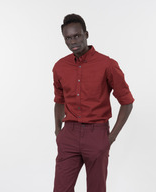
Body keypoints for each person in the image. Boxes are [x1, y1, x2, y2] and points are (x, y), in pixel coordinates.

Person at [52, 13, 134, 192]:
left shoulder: (107, 64)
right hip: (69, 135)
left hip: (97, 134)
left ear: (86, 34)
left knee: (96, 189)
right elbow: (59, 100)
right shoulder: (59, 67)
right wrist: (59, 131)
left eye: (77, 36)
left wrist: (111, 137)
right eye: (68, 38)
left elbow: (127, 102)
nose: (73, 41)